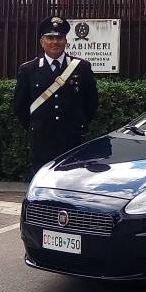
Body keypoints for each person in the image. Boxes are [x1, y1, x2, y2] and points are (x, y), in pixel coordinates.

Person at [13, 16, 98, 177]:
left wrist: (77, 124)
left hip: (72, 138)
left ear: (66, 41)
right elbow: (20, 106)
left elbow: (91, 103)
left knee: (72, 181)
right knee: (42, 181)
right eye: (50, 38)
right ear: (42, 41)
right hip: (41, 139)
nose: (55, 42)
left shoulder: (81, 67)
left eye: (59, 38)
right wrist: (36, 126)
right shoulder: (28, 70)